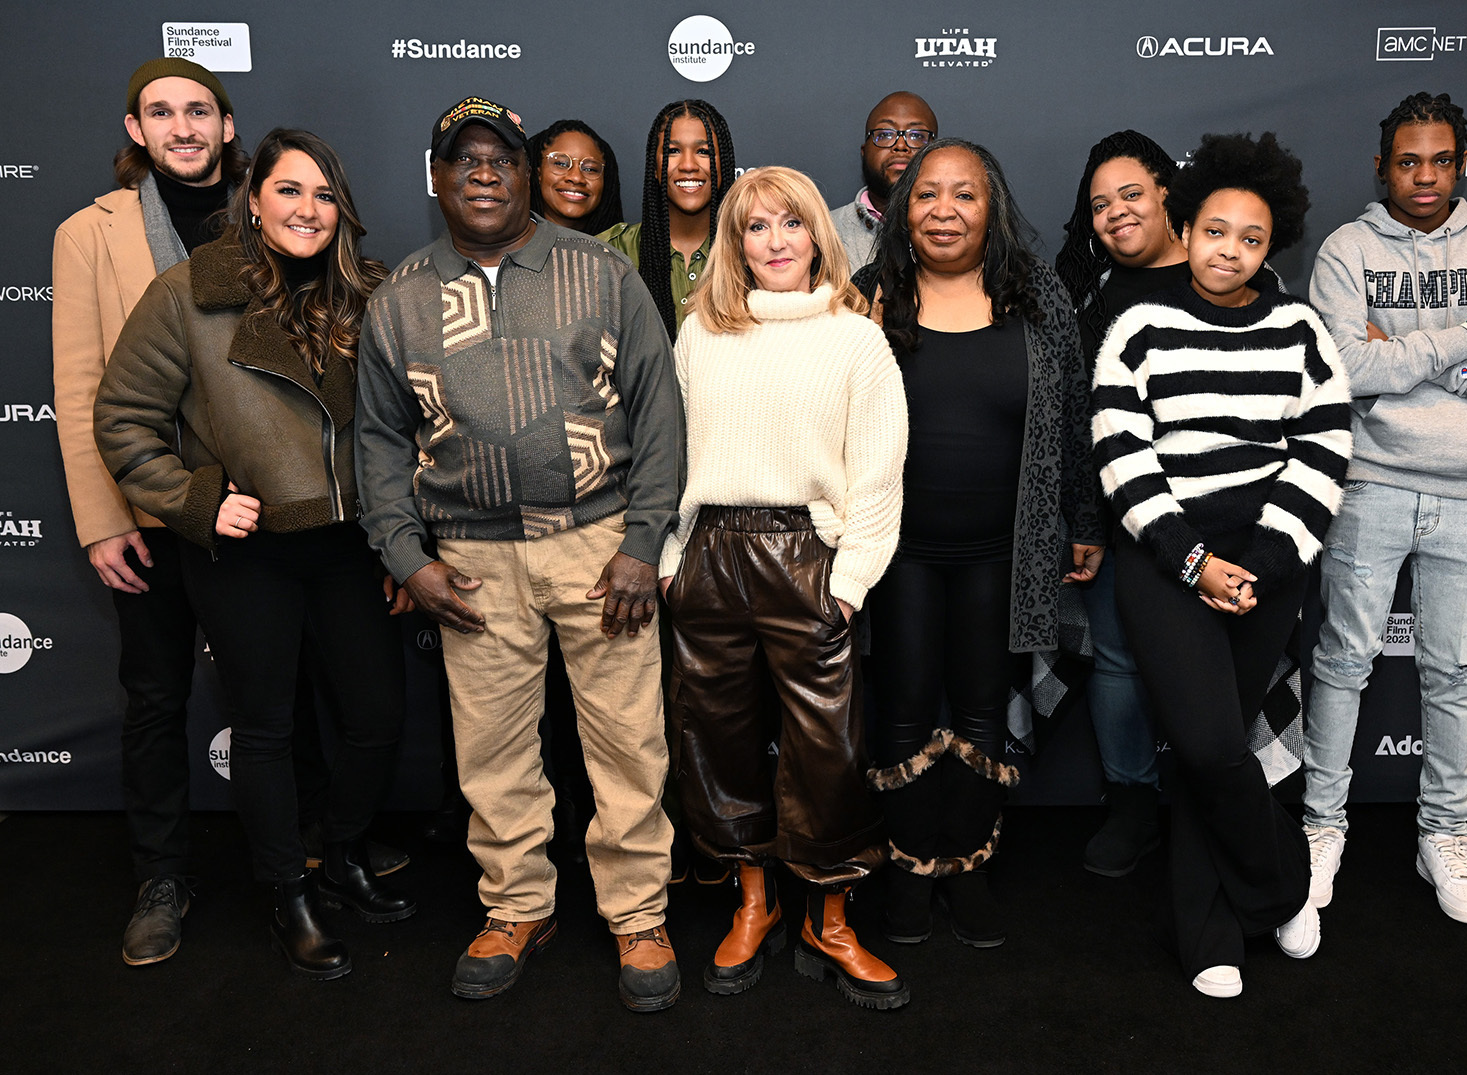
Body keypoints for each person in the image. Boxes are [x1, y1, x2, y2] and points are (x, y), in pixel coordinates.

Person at [354, 97, 685, 1011]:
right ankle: (516, 906)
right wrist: (406, 555)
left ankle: (638, 914)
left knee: (626, 743)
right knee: (493, 750)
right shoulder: (402, 296)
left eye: (503, 157)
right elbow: (378, 441)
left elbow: (660, 413)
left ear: (527, 173)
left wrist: (641, 541)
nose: (485, 172)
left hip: (598, 544)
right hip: (469, 558)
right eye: (464, 159)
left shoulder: (602, 273)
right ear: (437, 178)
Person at [95, 128, 415, 980]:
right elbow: (123, 418)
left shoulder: (372, 295)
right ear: (255, 199)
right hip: (248, 552)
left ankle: (339, 851)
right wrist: (196, 499)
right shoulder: (188, 294)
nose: (307, 210)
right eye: (289, 191)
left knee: (378, 713)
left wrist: (405, 541)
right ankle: (289, 890)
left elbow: (405, 431)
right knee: (266, 728)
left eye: (323, 194)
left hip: (352, 543)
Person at [1091, 132, 1353, 997]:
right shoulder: (1139, 325)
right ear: (1187, 225)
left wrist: (1268, 563)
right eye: (1215, 231)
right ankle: (1280, 886)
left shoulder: (1301, 330)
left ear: (1269, 246)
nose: (1229, 249)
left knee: (1221, 748)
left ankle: (1209, 937)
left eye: (1249, 237)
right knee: (1205, 743)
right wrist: (1194, 560)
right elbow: (1123, 455)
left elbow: (1321, 453)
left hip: (1267, 563)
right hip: (1166, 557)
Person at [1301, 92, 1467, 926]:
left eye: (1441, 159)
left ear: (1463, 163)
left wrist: (1431, 367)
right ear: (1383, 166)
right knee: (1344, 659)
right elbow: (1345, 365)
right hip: (1372, 483)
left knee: (1453, 673)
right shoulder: (1347, 250)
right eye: (1409, 160)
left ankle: (1443, 836)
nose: (1425, 176)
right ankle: (1320, 828)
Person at [660, 166, 909, 1009]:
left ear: (818, 235)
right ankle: (755, 903)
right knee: (716, 740)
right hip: (711, 552)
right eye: (755, 227)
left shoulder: (855, 337)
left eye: (790, 224)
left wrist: (849, 582)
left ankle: (829, 917)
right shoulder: (700, 329)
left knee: (826, 750)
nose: (774, 242)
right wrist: (671, 559)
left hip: (809, 554)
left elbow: (878, 474)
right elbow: (670, 458)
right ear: (734, 243)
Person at [853, 138, 1103, 949]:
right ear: (902, 207)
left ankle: (967, 864)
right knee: (901, 710)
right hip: (896, 551)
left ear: (991, 205)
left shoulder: (1038, 299)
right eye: (927, 194)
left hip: (1005, 548)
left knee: (983, 709)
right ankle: (908, 866)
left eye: (964, 194)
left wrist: (1086, 519)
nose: (944, 210)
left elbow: (1072, 418)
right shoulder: (867, 298)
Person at [52, 56, 246, 967]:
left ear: (226, 123)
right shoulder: (89, 233)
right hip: (153, 506)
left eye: (198, 111)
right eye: (161, 113)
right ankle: (161, 874)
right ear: (136, 131)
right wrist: (102, 516)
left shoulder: (278, 205)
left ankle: (317, 852)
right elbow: (80, 379)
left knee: (286, 688)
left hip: (259, 503)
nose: (182, 127)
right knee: (156, 696)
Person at [1053, 130, 1187, 878]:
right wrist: (1088, 520)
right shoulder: (1092, 294)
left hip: (1212, 518)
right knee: (1115, 661)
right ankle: (1131, 803)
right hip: (1119, 513)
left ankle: (1213, 803)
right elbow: (1078, 417)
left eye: (1131, 194)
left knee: (1213, 668)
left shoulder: (1223, 269)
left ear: (1167, 190)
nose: (1115, 213)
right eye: (1100, 204)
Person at [599, 99, 735, 339]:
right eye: (673, 151)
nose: (688, 165)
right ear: (654, 166)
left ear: (723, 164)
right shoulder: (611, 251)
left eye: (704, 152)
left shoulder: (752, 251)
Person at [830, 91, 937, 269]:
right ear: (864, 152)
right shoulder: (826, 230)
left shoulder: (954, 231)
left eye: (917, 135)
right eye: (885, 134)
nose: (901, 146)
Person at [526, 119, 623, 236]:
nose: (576, 178)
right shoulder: (506, 248)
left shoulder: (621, 250)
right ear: (538, 173)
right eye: (561, 164)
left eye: (590, 169)